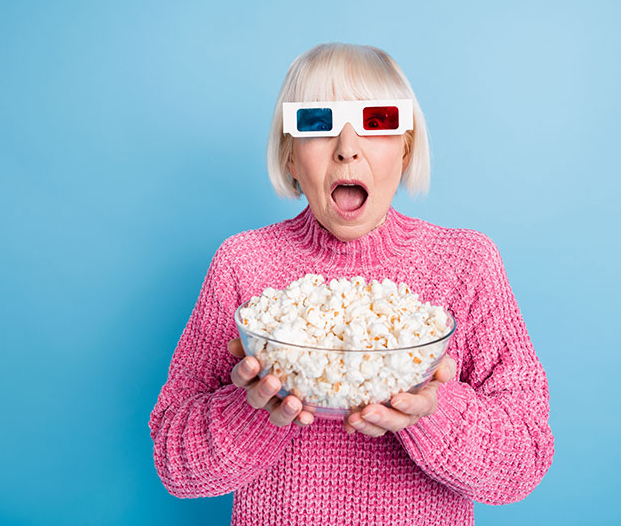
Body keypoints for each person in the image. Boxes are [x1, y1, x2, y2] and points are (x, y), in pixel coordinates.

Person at [148, 42, 554, 525]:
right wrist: (251, 408)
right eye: (316, 123)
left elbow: (524, 462)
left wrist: (432, 410)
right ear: (291, 157)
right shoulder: (243, 266)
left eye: (377, 121)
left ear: (404, 149)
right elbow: (174, 465)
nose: (346, 146)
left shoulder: (465, 266)